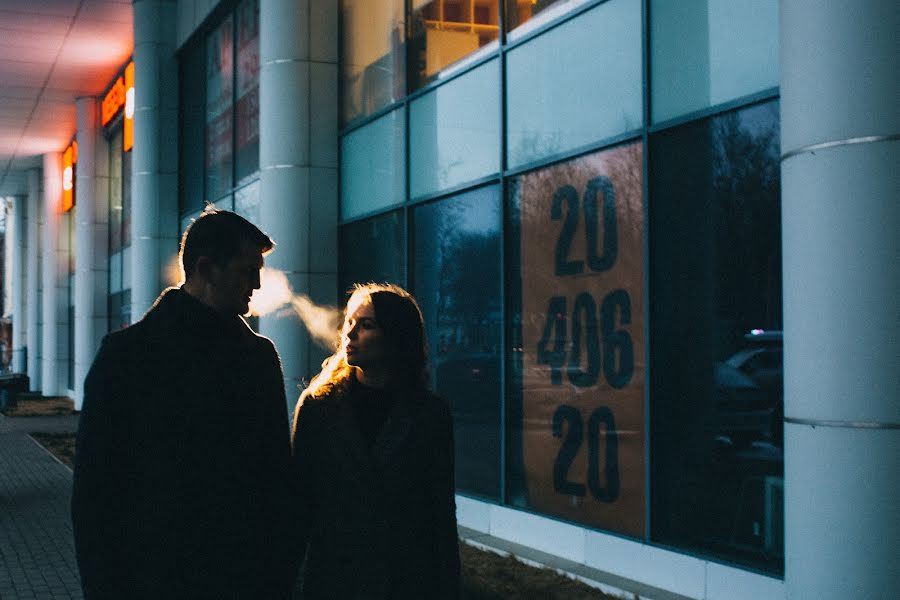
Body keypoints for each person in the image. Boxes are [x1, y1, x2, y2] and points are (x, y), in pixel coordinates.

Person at [72, 209, 298, 599]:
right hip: (151, 580)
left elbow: (277, 481)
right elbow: (96, 495)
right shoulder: (127, 356)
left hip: (240, 581)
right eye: (248, 271)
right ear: (207, 269)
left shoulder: (258, 358)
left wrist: (277, 578)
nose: (258, 284)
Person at [291, 283, 460, 599]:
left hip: (405, 580)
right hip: (334, 581)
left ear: (395, 335)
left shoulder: (429, 414)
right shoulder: (318, 407)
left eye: (366, 324)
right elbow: (299, 507)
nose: (350, 333)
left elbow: (439, 515)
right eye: (351, 322)